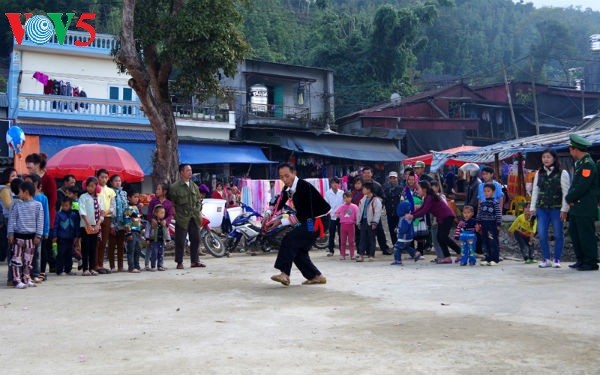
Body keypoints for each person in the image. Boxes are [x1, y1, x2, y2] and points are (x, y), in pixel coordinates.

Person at [266, 163, 330, 286]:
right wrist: (269, 213)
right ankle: (316, 276)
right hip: (309, 219)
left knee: (290, 239)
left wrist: (280, 221)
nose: (284, 179)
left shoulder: (304, 187)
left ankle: (285, 274)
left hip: (316, 221)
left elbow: (304, 215)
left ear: (294, 173)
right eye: (281, 177)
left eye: (287, 176)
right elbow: (280, 200)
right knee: (298, 250)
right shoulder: (288, 187)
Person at [529, 148, 570, 268]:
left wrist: (564, 209)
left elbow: (566, 192)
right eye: (543, 157)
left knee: (558, 234)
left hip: (556, 208)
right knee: (541, 234)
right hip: (542, 208)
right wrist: (533, 207)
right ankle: (546, 259)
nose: (545, 159)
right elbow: (535, 190)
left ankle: (556, 259)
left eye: (548, 157)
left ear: (554, 158)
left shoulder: (563, 173)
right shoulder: (539, 172)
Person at [565, 134, 599, 271]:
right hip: (577, 207)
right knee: (575, 233)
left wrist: (569, 198)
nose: (570, 152)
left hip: (584, 206)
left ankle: (590, 261)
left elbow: (582, 186)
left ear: (575, 149)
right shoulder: (580, 164)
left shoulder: (588, 165)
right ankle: (581, 259)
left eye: (570, 149)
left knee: (586, 235)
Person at [407, 180, 461, 264]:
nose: (417, 191)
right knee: (440, 238)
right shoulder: (427, 197)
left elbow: (424, 211)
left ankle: (459, 252)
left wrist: (412, 216)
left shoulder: (429, 197)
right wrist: (412, 214)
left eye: (418, 189)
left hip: (447, 217)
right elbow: (422, 208)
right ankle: (447, 257)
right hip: (442, 218)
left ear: (424, 189)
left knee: (443, 237)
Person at [7, 181, 44, 289]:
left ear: (26, 192)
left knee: (28, 260)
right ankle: (16, 280)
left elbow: (40, 221)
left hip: (31, 238)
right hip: (18, 237)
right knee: (16, 259)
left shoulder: (37, 205)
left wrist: (38, 235)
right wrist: (10, 234)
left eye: (20, 192)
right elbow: (12, 219)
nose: (18, 194)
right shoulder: (16, 204)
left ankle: (27, 279)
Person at [25, 153, 57, 274]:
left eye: (30, 165)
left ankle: (45, 268)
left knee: (45, 244)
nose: (28, 167)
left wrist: (42, 214)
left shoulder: (48, 179)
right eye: (27, 165)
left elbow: (53, 200)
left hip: (46, 215)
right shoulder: (27, 179)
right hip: (30, 217)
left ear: (38, 164)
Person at [169, 164, 205, 269]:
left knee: (196, 239)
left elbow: (198, 201)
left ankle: (195, 261)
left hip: (194, 217)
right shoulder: (175, 187)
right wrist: (176, 215)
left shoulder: (194, 186)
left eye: (191, 170)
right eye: (187, 170)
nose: (190, 172)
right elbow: (172, 203)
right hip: (182, 217)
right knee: (180, 240)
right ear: (181, 172)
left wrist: (198, 210)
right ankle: (179, 262)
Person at [25, 174, 49, 282]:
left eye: (28, 181)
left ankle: (41, 272)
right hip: (28, 229)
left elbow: (46, 215)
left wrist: (46, 231)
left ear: (35, 183)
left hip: (39, 230)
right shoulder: (25, 197)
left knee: (40, 252)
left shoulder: (42, 198)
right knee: (30, 252)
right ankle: (29, 272)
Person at [361, 167, 391, 255]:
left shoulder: (377, 185)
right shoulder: (359, 183)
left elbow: (384, 198)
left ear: (371, 174)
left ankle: (384, 248)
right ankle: (365, 250)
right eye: (365, 173)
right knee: (363, 233)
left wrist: (377, 203)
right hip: (363, 213)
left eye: (368, 173)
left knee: (379, 231)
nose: (366, 174)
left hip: (374, 213)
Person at [79, 176, 104, 276]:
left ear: (96, 187)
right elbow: (82, 211)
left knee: (93, 247)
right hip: (85, 225)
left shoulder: (99, 198)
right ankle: (85, 269)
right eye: (88, 186)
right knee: (85, 247)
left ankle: (92, 268)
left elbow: (102, 212)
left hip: (96, 225)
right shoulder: (83, 197)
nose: (90, 188)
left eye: (92, 186)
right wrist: (88, 224)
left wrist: (98, 224)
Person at [95, 169, 115, 274]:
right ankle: (94, 265)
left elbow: (113, 206)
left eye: (106, 177)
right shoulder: (94, 189)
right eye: (102, 177)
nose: (104, 179)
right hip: (96, 217)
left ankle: (100, 264)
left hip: (107, 217)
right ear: (97, 177)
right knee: (96, 241)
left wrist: (106, 211)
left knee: (104, 242)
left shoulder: (111, 191)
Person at [52, 197, 80, 275]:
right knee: (60, 255)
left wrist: (77, 236)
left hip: (71, 238)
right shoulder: (59, 214)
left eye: (66, 205)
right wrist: (54, 236)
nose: (65, 207)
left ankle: (68, 269)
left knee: (69, 254)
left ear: (70, 206)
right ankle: (59, 270)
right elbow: (55, 226)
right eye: (63, 205)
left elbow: (77, 227)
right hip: (61, 239)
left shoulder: (74, 215)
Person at [476, 183, 502, 266]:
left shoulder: (495, 203)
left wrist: (498, 224)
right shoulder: (483, 203)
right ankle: (487, 258)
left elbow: (498, 214)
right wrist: (478, 222)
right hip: (484, 225)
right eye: (485, 191)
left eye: (488, 191)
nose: (486, 193)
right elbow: (480, 213)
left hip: (492, 225)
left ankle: (495, 259)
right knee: (485, 241)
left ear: (493, 192)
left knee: (492, 241)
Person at [107, 174, 128, 273]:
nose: (118, 182)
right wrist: (111, 225)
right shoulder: (109, 192)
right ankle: (112, 266)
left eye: (119, 180)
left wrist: (127, 222)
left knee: (121, 246)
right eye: (116, 181)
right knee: (111, 245)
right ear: (111, 182)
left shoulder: (123, 193)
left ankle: (120, 266)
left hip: (122, 222)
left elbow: (126, 207)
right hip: (112, 221)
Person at [356, 182, 382, 262]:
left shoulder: (376, 200)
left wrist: (375, 222)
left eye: (364, 188)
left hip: (371, 221)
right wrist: (358, 221)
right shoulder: (363, 199)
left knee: (371, 239)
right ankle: (361, 255)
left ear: (369, 190)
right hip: (363, 221)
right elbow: (359, 211)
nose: (362, 190)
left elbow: (377, 212)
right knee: (362, 239)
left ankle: (371, 255)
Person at [390, 201, 420, 265]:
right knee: (405, 246)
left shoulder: (404, 218)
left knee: (397, 247)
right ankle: (415, 253)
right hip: (409, 236)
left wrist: (398, 230)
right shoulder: (409, 217)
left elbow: (403, 228)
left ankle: (397, 260)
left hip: (403, 237)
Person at [145, 204, 171, 271]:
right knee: (154, 253)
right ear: (156, 213)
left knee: (161, 253)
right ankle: (153, 266)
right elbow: (147, 230)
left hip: (161, 240)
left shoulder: (164, 222)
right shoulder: (151, 222)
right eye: (161, 213)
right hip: (154, 240)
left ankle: (160, 265)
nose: (163, 214)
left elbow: (167, 230)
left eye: (164, 213)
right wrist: (147, 238)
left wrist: (168, 239)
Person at [334, 191, 359, 260]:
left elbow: (357, 215)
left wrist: (356, 221)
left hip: (351, 226)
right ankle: (342, 254)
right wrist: (340, 216)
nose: (346, 199)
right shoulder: (341, 206)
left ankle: (352, 255)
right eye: (344, 198)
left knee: (351, 241)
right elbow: (335, 213)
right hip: (343, 225)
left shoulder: (354, 207)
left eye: (348, 197)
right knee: (343, 241)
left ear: (351, 197)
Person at [0, 167, 18, 262]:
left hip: (13, 217)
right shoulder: (5, 189)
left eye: (16, 175)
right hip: (8, 217)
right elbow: (8, 205)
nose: (15, 177)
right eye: (13, 176)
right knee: (10, 240)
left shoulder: (12, 188)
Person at [124, 188, 143, 273]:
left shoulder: (136, 207)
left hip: (137, 232)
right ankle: (131, 267)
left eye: (137, 197)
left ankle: (137, 266)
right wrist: (128, 233)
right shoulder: (127, 208)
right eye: (134, 197)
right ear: (129, 198)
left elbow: (138, 218)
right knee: (131, 250)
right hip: (131, 232)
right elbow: (127, 222)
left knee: (137, 250)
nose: (137, 199)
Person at [325, 177, 344, 256]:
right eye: (333, 183)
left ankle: (341, 250)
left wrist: (342, 214)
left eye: (336, 183)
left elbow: (344, 204)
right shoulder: (327, 193)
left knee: (341, 234)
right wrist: (331, 212)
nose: (335, 184)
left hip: (341, 216)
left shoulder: (342, 192)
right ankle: (331, 250)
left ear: (339, 184)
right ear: (330, 184)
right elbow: (326, 205)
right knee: (331, 234)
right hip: (332, 216)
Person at [383, 171, 403, 244]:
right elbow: (384, 199)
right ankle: (395, 244)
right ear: (389, 179)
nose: (393, 180)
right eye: (391, 178)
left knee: (400, 229)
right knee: (391, 229)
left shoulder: (401, 188)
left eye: (394, 178)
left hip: (399, 213)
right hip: (389, 212)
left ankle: (401, 244)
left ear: (397, 179)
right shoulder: (386, 189)